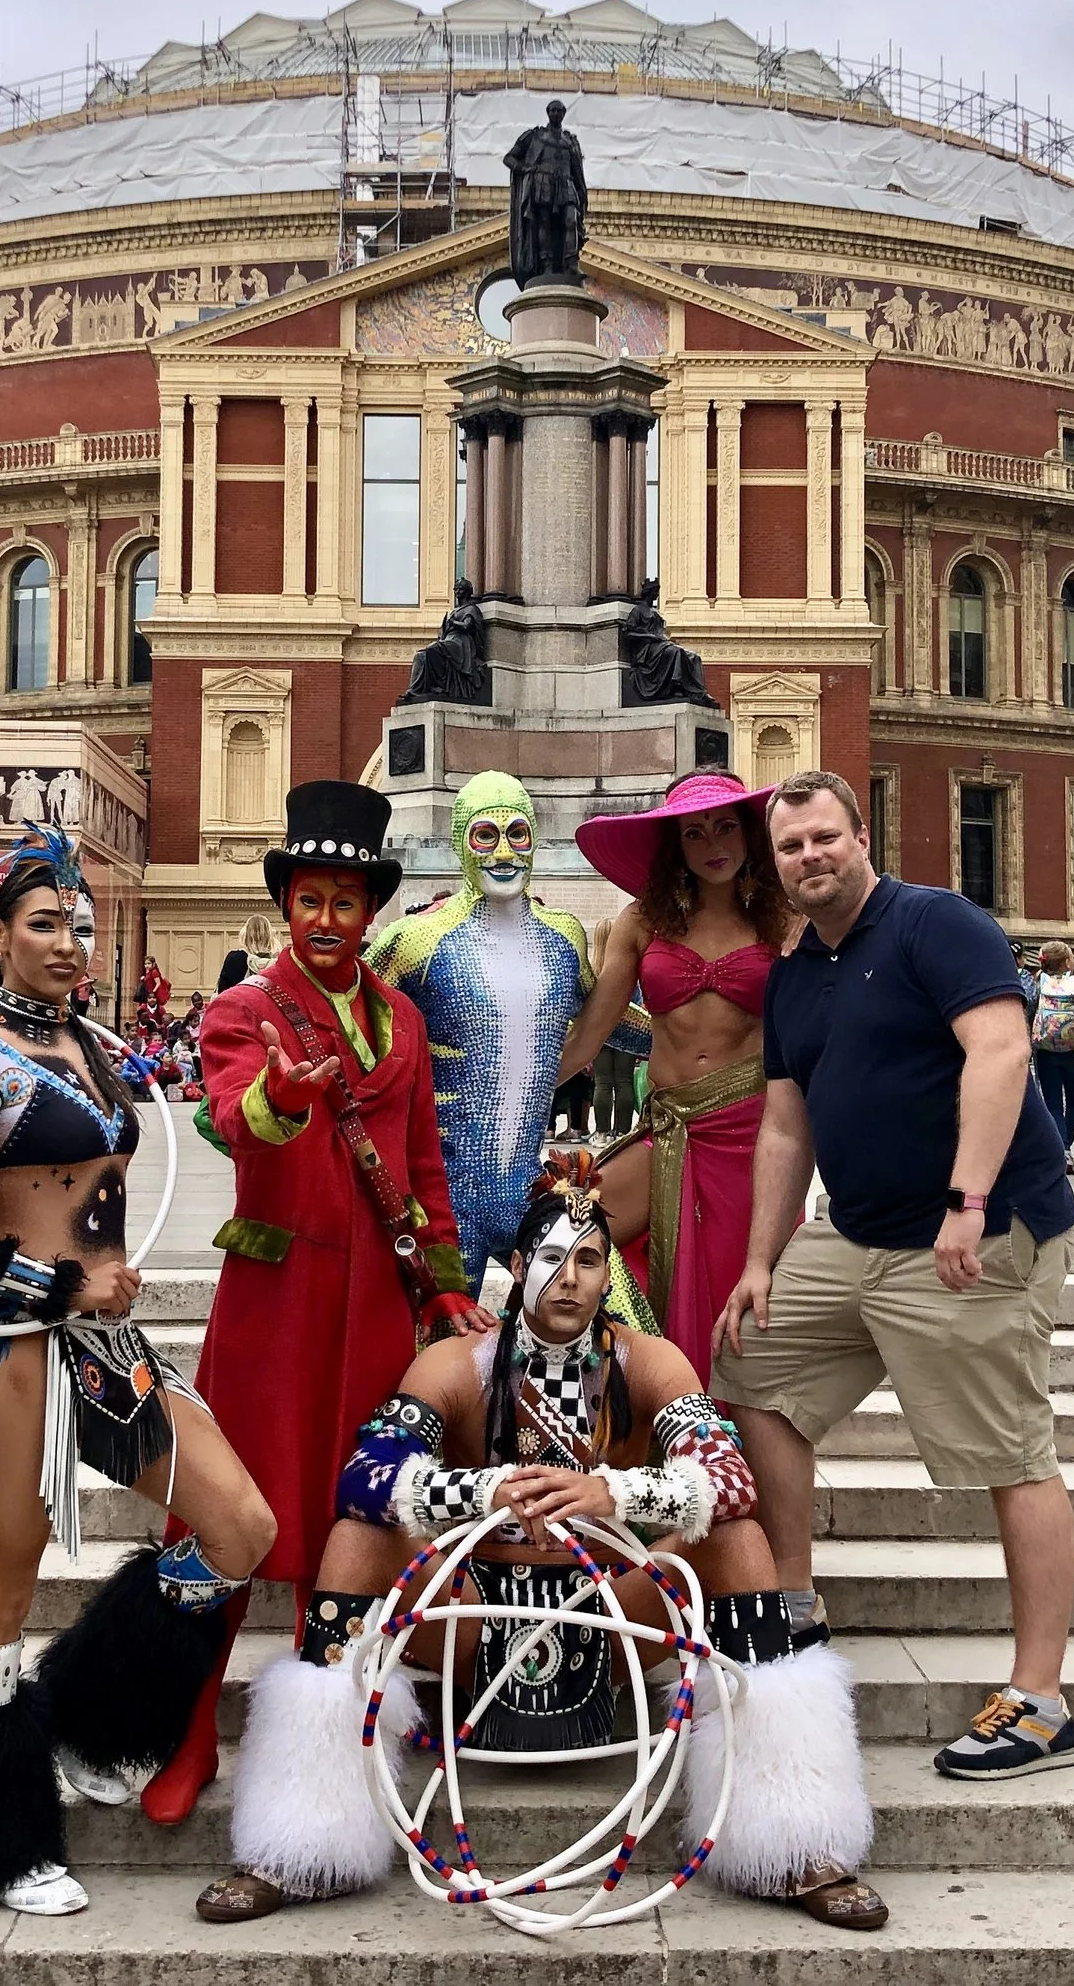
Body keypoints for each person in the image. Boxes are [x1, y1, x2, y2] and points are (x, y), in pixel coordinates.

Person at [197, 1159, 885, 1929]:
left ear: (607, 1274)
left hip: (613, 1612)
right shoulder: (457, 1365)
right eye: (552, 1259)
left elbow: (730, 1479)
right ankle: (300, 1846)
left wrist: (613, 1493)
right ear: (520, 1267)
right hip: (470, 1621)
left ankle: (793, 1841)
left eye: (588, 1260)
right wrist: (479, 1492)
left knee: (740, 1540)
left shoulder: (646, 1362)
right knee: (358, 1539)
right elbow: (364, 1478)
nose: (568, 1278)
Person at [0, 825, 277, 1918]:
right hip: (11, 1349)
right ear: (2, 934)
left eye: (82, 927)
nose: (70, 945)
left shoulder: (98, 1053)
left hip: (109, 1349)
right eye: (47, 924)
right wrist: (58, 1288)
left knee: (240, 1528)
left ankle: (91, 1716)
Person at [715, 771, 1074, 1782]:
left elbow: (1001, 1053)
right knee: (752, 1369)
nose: (809, 858)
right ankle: (790, 1601)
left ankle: (1042, 1699)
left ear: (860, 834)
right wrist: (760, 1259)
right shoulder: (795, 974)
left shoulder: (936, 924)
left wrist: (967, 1202)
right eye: (790, 848)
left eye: (824, 837)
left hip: (977, 1231)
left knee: (1010, 1452)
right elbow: (785, 1123)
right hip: (857, 1233)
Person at [162, 782, 484, 1826]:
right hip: (278, 1300)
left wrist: (443, 1289)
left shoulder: (401, 1018)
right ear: (286, 906)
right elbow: (226, 1121)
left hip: (381, 1310)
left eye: (347, 900)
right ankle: (186, 1723)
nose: (329, 919)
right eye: (311, 899)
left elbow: (424, 1166)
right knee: (227, 1509)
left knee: (359, 1506)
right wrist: (281, 1097)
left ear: (372, 910)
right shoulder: (242, 1011)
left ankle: (344, 1717)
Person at [563, 769, 794, 1379]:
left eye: (725, 828)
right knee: (566, 1227)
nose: (713, 844)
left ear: (749, 835)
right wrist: (505, 1103)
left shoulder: (783, 922)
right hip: (666, 1124)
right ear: (676, 846)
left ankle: (718, 1438)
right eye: (694, 834)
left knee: (729, 1292)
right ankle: (634, 1395)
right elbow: (592, 1031)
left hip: (749, 1130)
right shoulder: (641, 922)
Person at [369, 772, 597, 1295]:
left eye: (517, 833)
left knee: (614, 1313)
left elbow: (606, 1017)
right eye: (485, 835)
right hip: (445, 1201)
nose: (504, 853)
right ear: (458, 843)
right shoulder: (416, 941)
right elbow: (350, 1023)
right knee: (442, 1354)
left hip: (531, 1191)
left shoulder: (563, 937)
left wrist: (717, 1039)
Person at [1028, 940, 1074, 1175]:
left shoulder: (1039, 982)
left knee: (1052, 1102)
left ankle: (1061, 1150)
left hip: (1045, 1049)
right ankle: (1066, 1146)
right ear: (1066, 962)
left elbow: (1030, 1009)